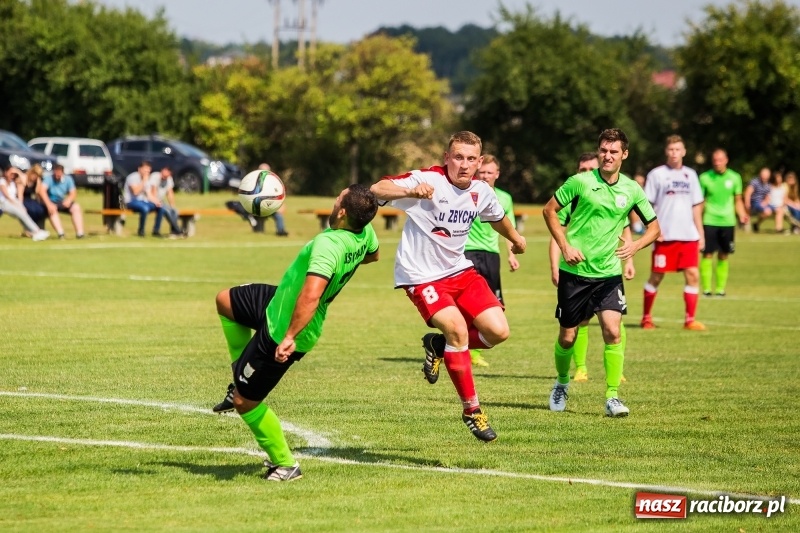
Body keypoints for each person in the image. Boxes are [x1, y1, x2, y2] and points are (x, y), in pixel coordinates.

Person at [212, 183, 380, 481]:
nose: (334, 198)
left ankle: (285, 464)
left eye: (337, 197)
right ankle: (239, 372)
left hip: (286, 328)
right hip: (277, 302)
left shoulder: (329, 245)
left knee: (244, 402)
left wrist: (289, 336)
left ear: (341, 212)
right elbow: (373, 256)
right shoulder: (364, 231)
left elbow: (312, 295)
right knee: (225, 301)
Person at [370, 131, 526, 442]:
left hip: (460, 271)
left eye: (471, 159)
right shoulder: (429, 179)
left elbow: (497, 218)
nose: (464, 164)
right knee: (455, 328)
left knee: (498, 332)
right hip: (421, 276)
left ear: (479, 162)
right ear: (446, 157)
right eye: (458, 157)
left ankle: (440, 347)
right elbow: (377, 189)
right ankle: (472, 410)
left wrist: (516, 238)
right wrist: (413, 191)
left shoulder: (480, 191)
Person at [543, 128, 659, 417]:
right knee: (568, 337)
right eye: (603, 151)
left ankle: (612, 396)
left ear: (624, 154)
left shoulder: (632, 189)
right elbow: (549, 211)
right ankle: (561, 383)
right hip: (575, 273)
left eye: (613, 151)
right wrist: (565, 246)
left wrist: (635, 247)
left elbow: (655, 228)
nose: (607, 156)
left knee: (612, 330)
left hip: (608, 275)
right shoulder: (580, 182)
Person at [548, 152, 634, 383]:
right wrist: (555, 266)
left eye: (590, 169)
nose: (586, 173)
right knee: (574, 329)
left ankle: (616, 377)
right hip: (576, 273)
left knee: (614, 325)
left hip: (608, 272)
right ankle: (580, 368)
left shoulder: (617, 192)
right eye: (582, 170)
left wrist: (630, 260)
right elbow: (556, 233)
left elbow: (624, 226)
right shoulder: (572, 197)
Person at [640, 135, 706, 331]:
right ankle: (646, 318)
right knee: (657, 276)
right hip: (664, 236)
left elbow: (696, 206)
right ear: (666, 152)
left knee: (693, 274)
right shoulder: (656, 175)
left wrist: (700, 233)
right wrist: (652, 230)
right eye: (671, 150)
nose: (674, 153)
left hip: (688, 236)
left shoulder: (691, 175)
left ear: (684, 152)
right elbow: (646, 205)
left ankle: (690, 320)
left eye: (678, 149)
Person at [463, 154, 519, 368]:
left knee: (491, 304)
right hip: (467, 252)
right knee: (467, 304)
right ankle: (467, 351)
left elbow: (508, 227)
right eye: (482, 172)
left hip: (491, 255)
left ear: (497, 174)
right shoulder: (469, 192)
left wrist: (511, 254)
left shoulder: (504, 198)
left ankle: (473, 350)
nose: (485, 176)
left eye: (489, 172)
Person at [698, 149, 749, 296]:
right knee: (707, 254)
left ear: (726, 160)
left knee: (724, 254)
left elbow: (738, 200)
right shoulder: (704, 178)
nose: (717, 163)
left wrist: (742, 214)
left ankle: (720, 289)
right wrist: (696, 220)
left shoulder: (735, 178)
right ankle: (706, 289)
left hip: (728, 221)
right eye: (715, 160)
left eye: (720, 160)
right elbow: (700, 202)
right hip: (709, 220)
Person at [225, 163, 289, 236]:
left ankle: (281, 231)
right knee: (258, 232)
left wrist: (279, 205)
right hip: (255, 208)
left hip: (268, 207)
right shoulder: (251, 181)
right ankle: (257, 228)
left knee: (278, 216)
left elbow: (278, 197)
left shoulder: (273, 183)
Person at [0, 164, 50, 241]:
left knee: (23, 213)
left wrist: (17, 172)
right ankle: (37, 231)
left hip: (12, 202)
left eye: (14, 175)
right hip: (4, 203)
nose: (12, 176)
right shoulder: (2, 182)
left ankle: (34, 232)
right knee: (21, 213)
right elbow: (7, 196)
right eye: (11, 174)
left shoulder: (13, 183)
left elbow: (23, 181)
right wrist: (18, 205)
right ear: (6, 172)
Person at [41, 164, 85, 239]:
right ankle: (61, 233)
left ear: (62, 172)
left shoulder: (68, 179)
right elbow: (42, 191)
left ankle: (80, 233)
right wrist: (49, 204)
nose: (57, 175)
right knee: (52, 210)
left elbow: (73, 192)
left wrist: (69, 200)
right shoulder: (48, 179)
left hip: (62, 201)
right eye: (56, 172)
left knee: (76, 207)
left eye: (59, 172)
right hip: (51, 201)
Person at [123, 161, 158, 237]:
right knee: (144, 208)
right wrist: (144, 181)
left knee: (161, 208)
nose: (147, 173)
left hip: (142, 202)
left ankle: (156, 231)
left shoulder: (147, 179)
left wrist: (157, 202)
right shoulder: (132, 177)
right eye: (145, 171)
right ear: (139, 169)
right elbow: (135, 192)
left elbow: (149, 195)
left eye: (148, 171)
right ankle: (141, 231)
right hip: (130, 202)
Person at [149, 166, 185, 238]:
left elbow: (170, 193)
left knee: (174, 211)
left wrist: (172, 205)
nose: (165, 177)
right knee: (165, 209)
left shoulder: (169, 179)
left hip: (160, 201)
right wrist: (157, 201)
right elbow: (153, 191)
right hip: (151, 200)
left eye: (167, 176)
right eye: (164, 175)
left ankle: (174, 231)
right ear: (162, 171)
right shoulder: (155, 176)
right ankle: (177, 230)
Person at [18, 164, 48, 230]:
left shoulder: (36, 181)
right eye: (35, 174)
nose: (35, 177)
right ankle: (30, 230)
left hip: (30, 199)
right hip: (22, 199)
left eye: (38, 176)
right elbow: (20, 194)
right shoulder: (23, 179)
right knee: (32, 210)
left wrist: (38, 182)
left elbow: (37, 193)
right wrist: (21, 206)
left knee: (41, 209)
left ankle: (40, 228)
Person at [744, 167, 773, 233]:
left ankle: (756, 224)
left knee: (774, 210)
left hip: (763, 203)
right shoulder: (754, 182)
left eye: (766, 175)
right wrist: (747, 202)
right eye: (763, 175)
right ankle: (747, 225)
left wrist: (765, 203)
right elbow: (748, 193)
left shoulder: (768, 184)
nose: (765, 176)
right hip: (754, 202)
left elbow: (767, 197)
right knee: (767, 211)